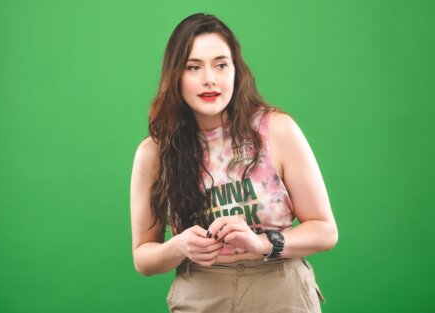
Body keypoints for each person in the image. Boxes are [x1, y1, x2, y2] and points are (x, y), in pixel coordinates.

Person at [130, 13, 338, 313]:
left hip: (281, 288)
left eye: (221, 64)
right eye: (193, 67)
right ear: (175, 75)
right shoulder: (154, 153)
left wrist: (263, 243)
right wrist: (179, 246)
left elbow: (325, 230)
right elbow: (143, 257)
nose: (210, 79)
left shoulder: (276, 130)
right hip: (201, 292)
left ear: (236, 71)